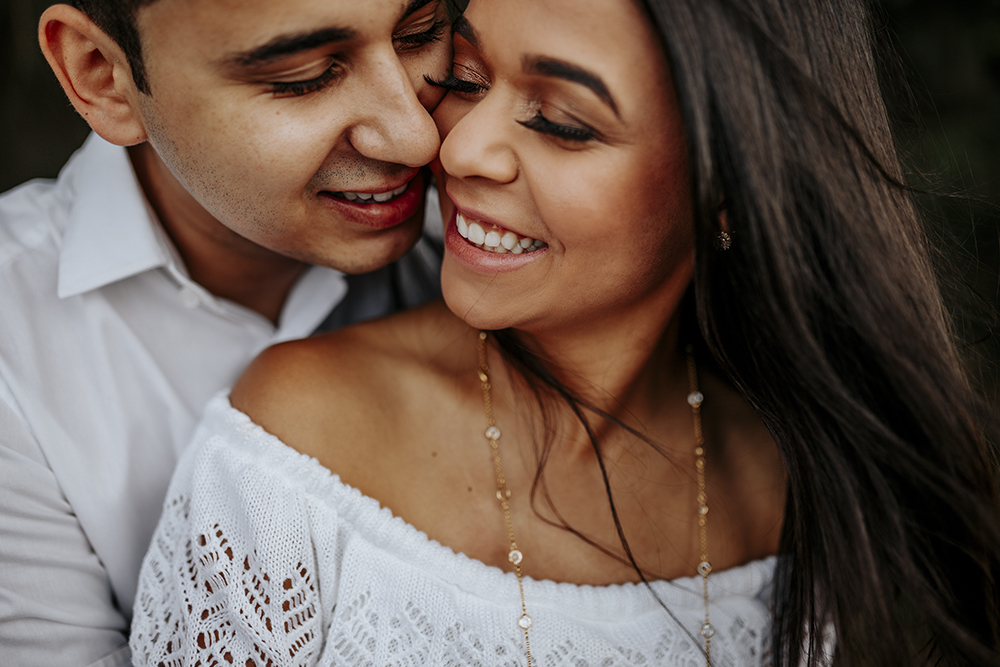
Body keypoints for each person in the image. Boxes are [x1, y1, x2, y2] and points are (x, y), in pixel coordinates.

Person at [130, 0, 1000, 664]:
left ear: (730, 178)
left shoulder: (800, 484)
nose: (465, 149)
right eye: (465, 81)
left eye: (559, 121)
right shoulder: (294, 456)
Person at [0, 0, 457, 664]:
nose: (415, 136)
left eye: (421, 35)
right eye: (304, 76)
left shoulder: (498, 235)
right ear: (102, 74)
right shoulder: (14, 344)